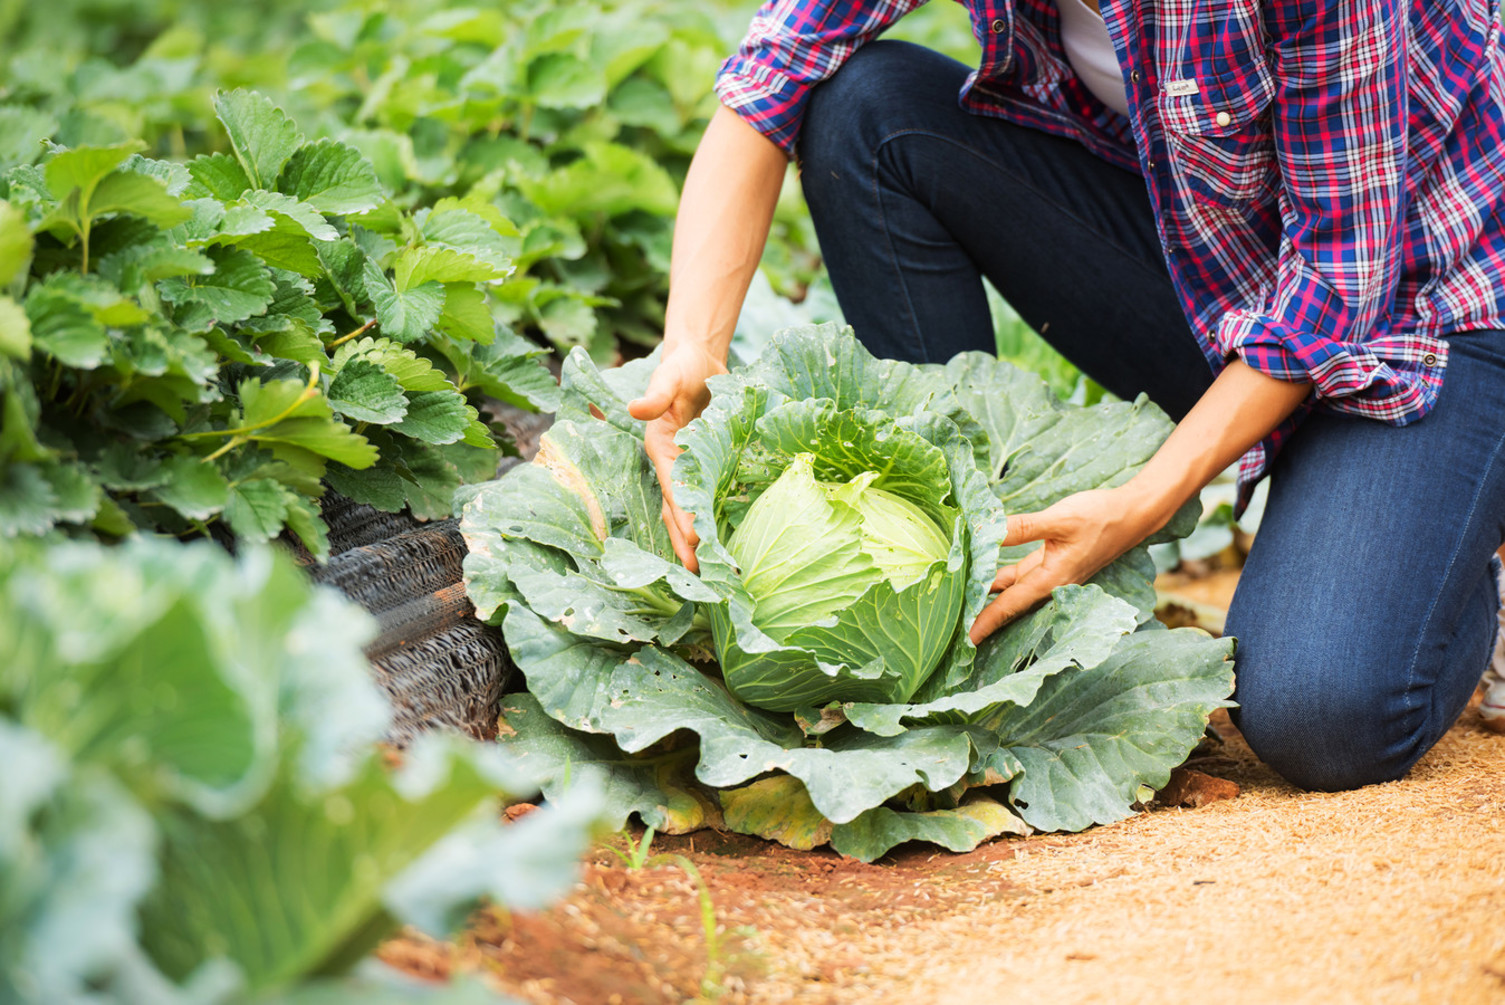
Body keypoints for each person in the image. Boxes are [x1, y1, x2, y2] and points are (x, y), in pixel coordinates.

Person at [627, 0, 1505, 789]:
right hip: (1226, 271)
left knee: (1321, 717)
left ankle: (1459, 533)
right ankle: (972, 584)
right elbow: (774, 73)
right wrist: (690, 349)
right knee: (867, 110)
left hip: (1433, 307)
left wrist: (1136, 502)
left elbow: (1335, 286)